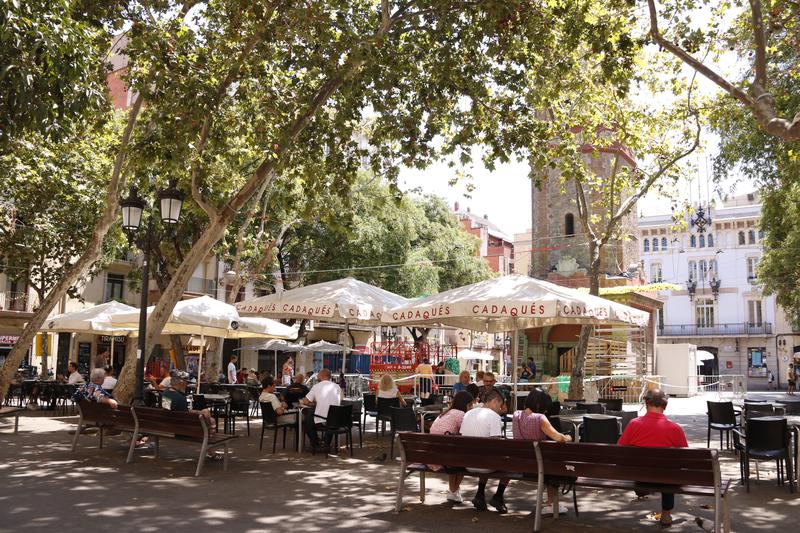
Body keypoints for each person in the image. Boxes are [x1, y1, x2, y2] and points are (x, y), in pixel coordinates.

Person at [618, 389, 688, 527]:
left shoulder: (634, 424)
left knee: (649, 468)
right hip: (666, 479)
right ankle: (666, 515)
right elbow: (684, 458)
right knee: (669, 471)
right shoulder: (675, 429)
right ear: (665, 405)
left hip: (640, 477)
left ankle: (642, 490)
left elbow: (620, 449)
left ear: (646, 402)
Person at [512, 389, 572, 516]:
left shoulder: (516, 415)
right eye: (545, 408)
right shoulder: (540, 418)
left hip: (522, 465)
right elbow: (558, 438)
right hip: (539, 466)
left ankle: (550, 502)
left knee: (549, 460)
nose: (546, 411)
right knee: (553, 462)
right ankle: (551, 502)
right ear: (539, 405)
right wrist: (568, 437)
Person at [460, 389, 510, 513]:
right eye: (499, 405)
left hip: (467, 463)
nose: (500, 409)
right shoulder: (494, 416)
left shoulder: (468, 413)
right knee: (510, 461)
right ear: (493, 401)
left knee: (485, 455)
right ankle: (498, 496)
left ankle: (480, 494)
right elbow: (496, 444)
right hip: (485, 465)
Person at [429, 391, 476, 503]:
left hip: (431, 456)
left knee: (455, 455)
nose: (471, 407)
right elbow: (467, 433)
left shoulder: (446, 413)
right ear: (465, 404)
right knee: (462, 458)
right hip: (445, 457)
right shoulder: (461, 415)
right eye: (470, 405)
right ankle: (453, 491)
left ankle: (453, 491)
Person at [302, 368, 342, 450]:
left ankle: (316, 442)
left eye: (318, 374)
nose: (317, 375)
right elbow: (339, 400)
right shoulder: (337, 387)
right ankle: (326, 443)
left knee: (307, 421)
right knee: (330, 417)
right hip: (337, 420)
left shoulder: (316, 386)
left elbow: (305, 402)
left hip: (323, 421)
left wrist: (313, 403)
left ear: (323, 375)